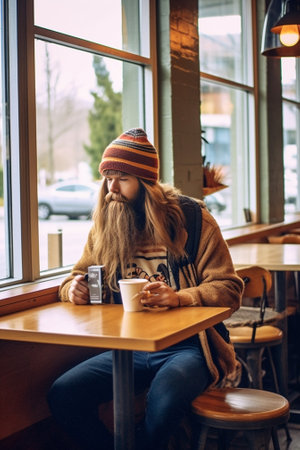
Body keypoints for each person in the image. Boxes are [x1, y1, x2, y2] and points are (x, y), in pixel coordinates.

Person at [48, 128, 243, 450]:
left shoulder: (193, 219)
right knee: (63, 393)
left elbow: (229, 288)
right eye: (108, 178)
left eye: (122, 178)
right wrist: (72, 289)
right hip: (129, 349)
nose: (112, 189)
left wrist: (180, 297)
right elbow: (77, 275)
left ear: (146, 182)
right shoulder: (106, 224)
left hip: (190, 347)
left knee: (164, 401)